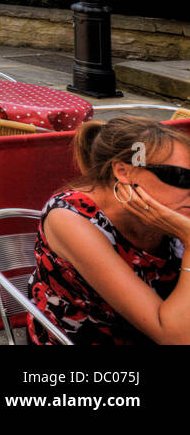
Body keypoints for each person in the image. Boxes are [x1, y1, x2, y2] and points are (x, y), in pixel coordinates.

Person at [27, 118, 190, 344]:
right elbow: (176, 338)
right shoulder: (70, 219)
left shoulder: (173, 211)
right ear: (123, 171)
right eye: (181, 177)